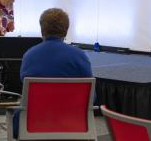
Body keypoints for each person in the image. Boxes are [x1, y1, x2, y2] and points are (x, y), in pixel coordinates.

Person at [13, 8, 93, 138]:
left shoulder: (29, 55)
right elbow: (91, 96)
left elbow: (25, 89)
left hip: (33, 124)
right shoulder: (79, 56)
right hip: (73, 123)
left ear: (42, 29)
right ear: (66, 30)